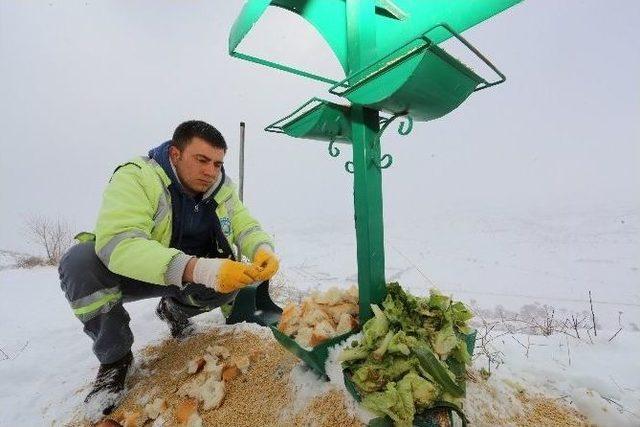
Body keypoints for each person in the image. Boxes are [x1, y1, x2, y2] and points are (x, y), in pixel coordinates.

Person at [58, 120, 278, 415]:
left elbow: (244, 225)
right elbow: (119, 243)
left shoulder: (222, 189)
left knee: (229, 284)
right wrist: (201, 269)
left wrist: (263, 248)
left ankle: (175, 310)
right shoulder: (138, 177)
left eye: (217, 163)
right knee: (79, 262)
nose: (211, 171)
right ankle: (115, 359)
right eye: (201, 160)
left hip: (188, 274)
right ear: (175, 154)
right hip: (134, 272)